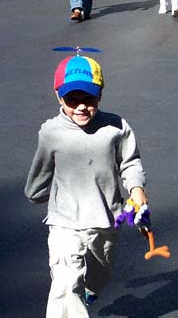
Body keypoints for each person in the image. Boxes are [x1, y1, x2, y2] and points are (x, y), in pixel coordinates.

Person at [25, 53, 148, 318]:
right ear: (59, 97)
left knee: (99, 275)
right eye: (72, 100)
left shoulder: (116, 127)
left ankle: (91, 289)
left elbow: (130, 162)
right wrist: (36, 192)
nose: (81, 107)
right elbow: (40, 171)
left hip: (105, 220)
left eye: (88, 99)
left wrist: (137, 190)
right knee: (65, 285)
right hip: (64, 221)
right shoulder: (50, 132)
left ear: (100, 95)